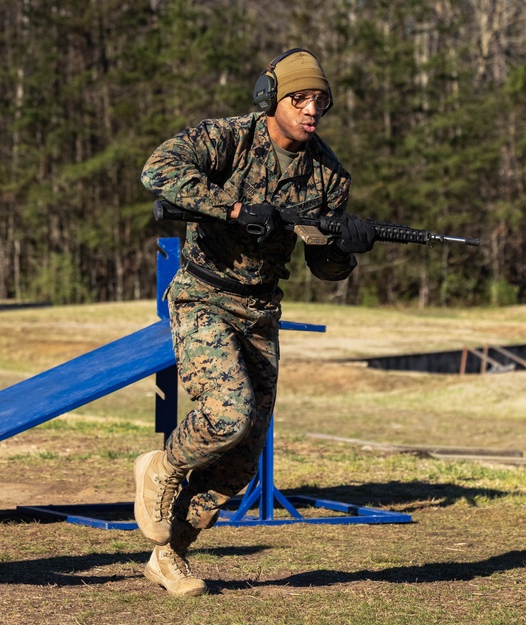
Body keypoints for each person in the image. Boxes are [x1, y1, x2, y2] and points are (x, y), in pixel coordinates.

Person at [134, 48, 377, 597]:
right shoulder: (231, 139)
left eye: (319, 100)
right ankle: (163, 470)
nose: (311, 110)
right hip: (203, 295)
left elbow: (323, 264)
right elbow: (158, 169)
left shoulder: (328, 175)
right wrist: (236, 209)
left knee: (242, 460)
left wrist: (346, 247)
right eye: (299, 99)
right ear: (272, 99)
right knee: (226, 414)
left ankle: (169, 555)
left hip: (260, 309)